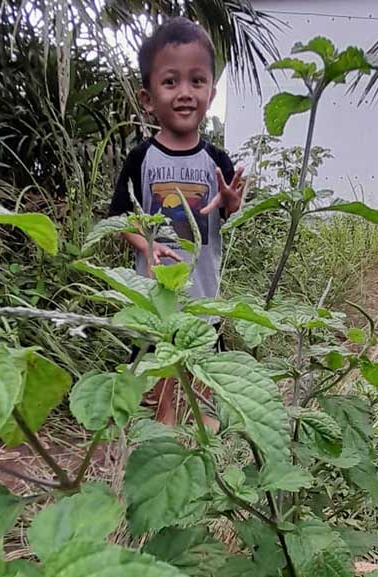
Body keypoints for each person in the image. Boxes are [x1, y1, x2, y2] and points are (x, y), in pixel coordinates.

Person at [109, 17, 250, 426]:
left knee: (202, 354)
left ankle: (203, 422)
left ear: (211, 92)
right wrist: (146, 245)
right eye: (170, 82)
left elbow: (227, 209)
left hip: (202, 289)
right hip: (156, 294)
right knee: (159, 360)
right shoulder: (142, 158)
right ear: (148, 97)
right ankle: (165, 421)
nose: (185, 93)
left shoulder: (216, 161)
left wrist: (232, 201)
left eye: (196, 81)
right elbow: (120, 218)